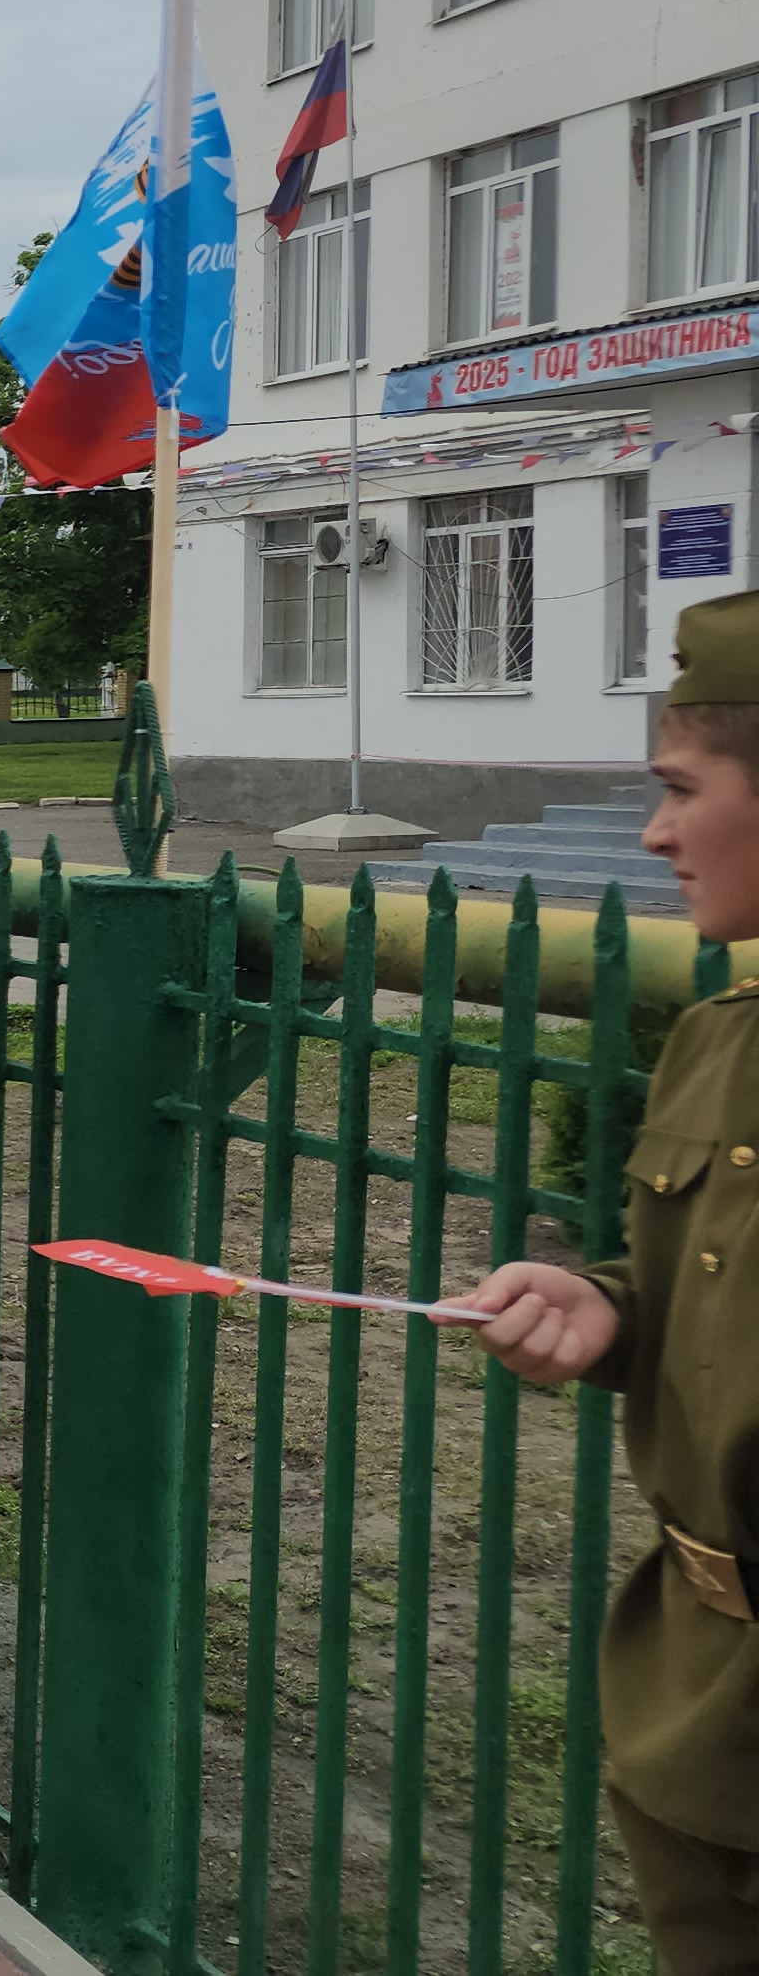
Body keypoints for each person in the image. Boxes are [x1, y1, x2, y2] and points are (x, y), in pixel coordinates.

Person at [465, 588, 759, 1965]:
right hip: (698, 1697)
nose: (653, 833)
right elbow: (704, 1293)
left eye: (680, 789)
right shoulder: (720, 1037)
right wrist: (611, 1309)